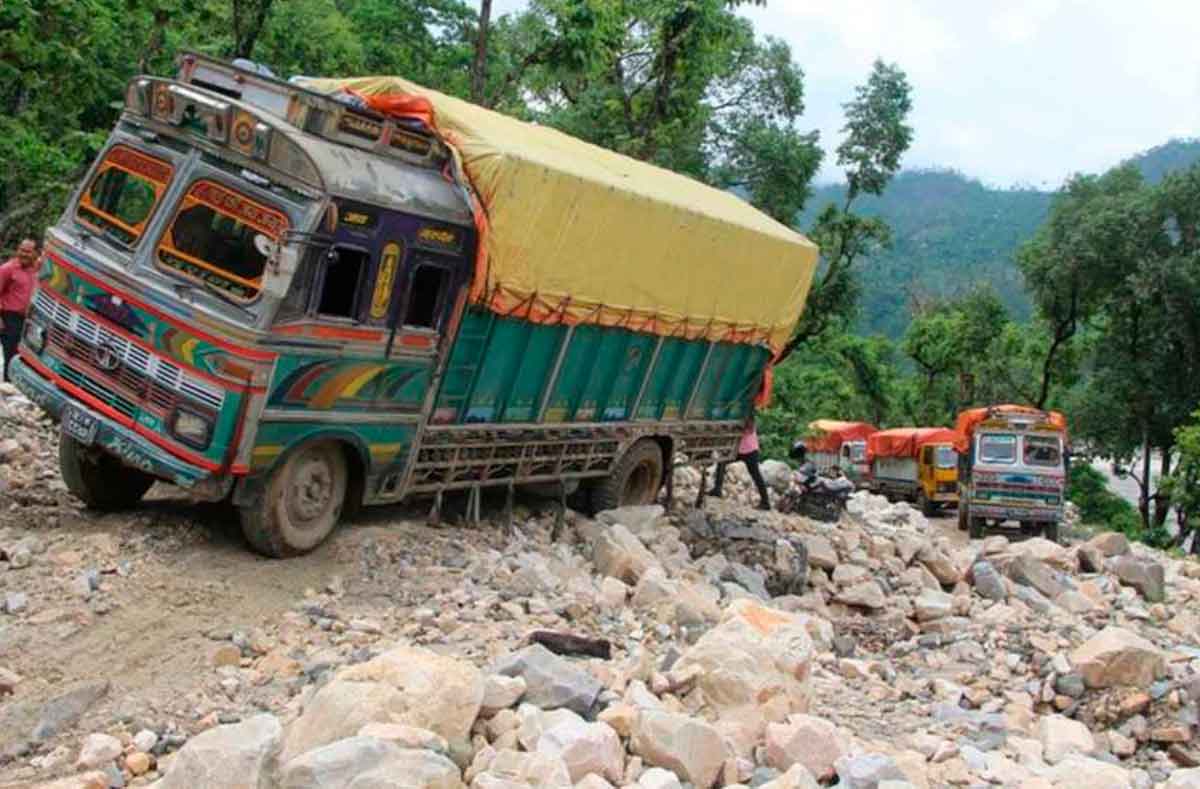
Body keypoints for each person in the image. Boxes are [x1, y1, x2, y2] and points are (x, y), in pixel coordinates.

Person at [709, 412, 771, 511]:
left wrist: (735, 428)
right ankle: (717, 489)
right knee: (722, 462)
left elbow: (748, 429)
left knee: (756, 475)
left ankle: (765, 502)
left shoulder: (749, 420)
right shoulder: (738, 416)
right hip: (738, 450)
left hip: (749, 451)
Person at [0, 238, 38, 382]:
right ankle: (7, 387)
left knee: (22, 355)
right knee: (10, 354)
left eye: (28, 251)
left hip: (27, 320)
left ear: (35, 253)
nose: (24, 254)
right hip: (9, 318)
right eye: (22, 250)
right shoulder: (7, 269)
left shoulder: (36, 270)